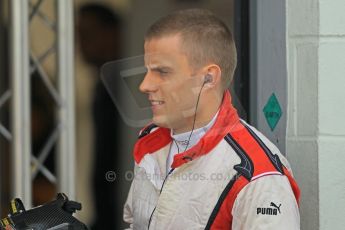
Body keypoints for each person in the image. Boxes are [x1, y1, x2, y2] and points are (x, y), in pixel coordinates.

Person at [123, 9, 300, 229]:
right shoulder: (152, 141)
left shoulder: (258, 174)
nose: (145, 85)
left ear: (208, 78)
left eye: (163, 72)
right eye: (148, 70)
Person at [77, 4, 123, 229]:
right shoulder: (102, 85)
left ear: (112, 33)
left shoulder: (129, 87)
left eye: (86, 34)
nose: (79, 44)